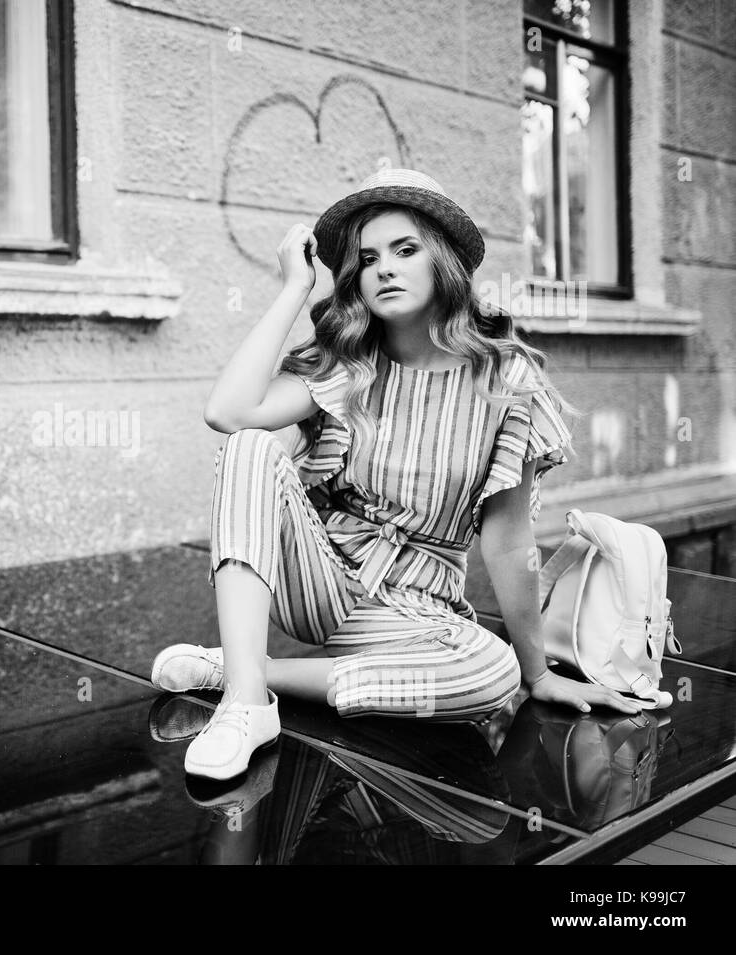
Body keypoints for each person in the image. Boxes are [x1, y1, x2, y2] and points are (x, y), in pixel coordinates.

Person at [153, 167, 645, 782]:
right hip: (322, 581)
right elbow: (227, 413)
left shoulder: (504, 382)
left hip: (414, 610)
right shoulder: (350, 364)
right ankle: (245, 706)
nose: (383, 268)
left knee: (493, 676)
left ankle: (244, 670)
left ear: (442, 262)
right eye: (366, 258)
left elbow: (508, 540)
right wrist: (292, 290)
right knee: (250, 446)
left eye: (405, 250)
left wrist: (539, 673)